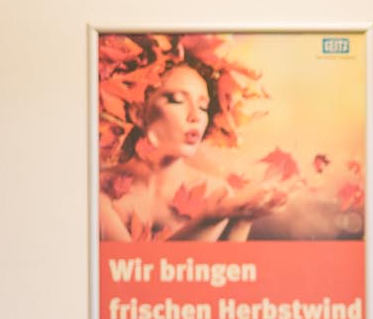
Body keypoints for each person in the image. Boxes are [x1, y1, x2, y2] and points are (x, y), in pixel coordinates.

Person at [97, 34, 286, 242]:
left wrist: (243, 220)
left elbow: (229, 262)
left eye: (203, 107)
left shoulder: (217, 193)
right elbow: (134, 263)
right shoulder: (98, 189)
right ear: (138, 114)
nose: (196, 116)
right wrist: (210, 218)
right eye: (177, 100)